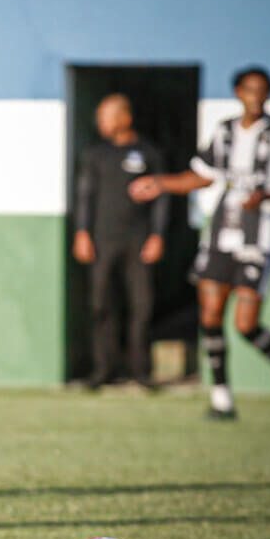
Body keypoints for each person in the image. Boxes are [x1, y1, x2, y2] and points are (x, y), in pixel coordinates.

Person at [130, 66, 270, 420]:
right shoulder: (225, 133)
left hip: (260, 235)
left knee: (245, 324)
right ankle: (221, 397)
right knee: (210, 313)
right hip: (222, 232)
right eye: (249, 89)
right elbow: (202, 177)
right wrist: (161, 183)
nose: (255, 96)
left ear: (269, 94)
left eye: (262, 90)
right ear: (238, 92)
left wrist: (268, 195)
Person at [73, 94, 168, 390]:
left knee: (141, 305)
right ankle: (104, 370)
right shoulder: (95, 155)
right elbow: (85, 196)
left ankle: (140, 372)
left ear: (125, 118)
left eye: (107, 116)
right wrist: (82, 232)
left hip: (138, 241)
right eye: (100, 117)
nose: (101, 123)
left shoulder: (149, 153)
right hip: (102, 241)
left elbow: (162, 197)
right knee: (101, 304)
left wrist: (157, 235)